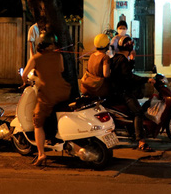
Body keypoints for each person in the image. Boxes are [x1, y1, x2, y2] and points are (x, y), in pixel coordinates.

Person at [21, 31, 71, 166]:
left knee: (37, 121)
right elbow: (61, 70)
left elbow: (24, 74)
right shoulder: (59, 55)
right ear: (52, 44)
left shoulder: (35, 58)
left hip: (48, 93)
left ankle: (41, 153)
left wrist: (28, 80)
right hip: (64, 90)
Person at [110, 35, 155, 152]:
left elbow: (126, 71)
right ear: (130, 47)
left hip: (116, 91)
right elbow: (129, 77)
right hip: (123, 92)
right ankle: (141, 141)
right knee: (138, 112)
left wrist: (132, 59)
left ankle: (133, 132)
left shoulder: (116, 58)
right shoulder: (122, 60)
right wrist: (146, 79)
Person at [80, 33, 112, 98]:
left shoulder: (92, 55)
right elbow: (106, 74)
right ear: (107, 45)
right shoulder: (105, 57)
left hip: (85, 87)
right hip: (97, 89)